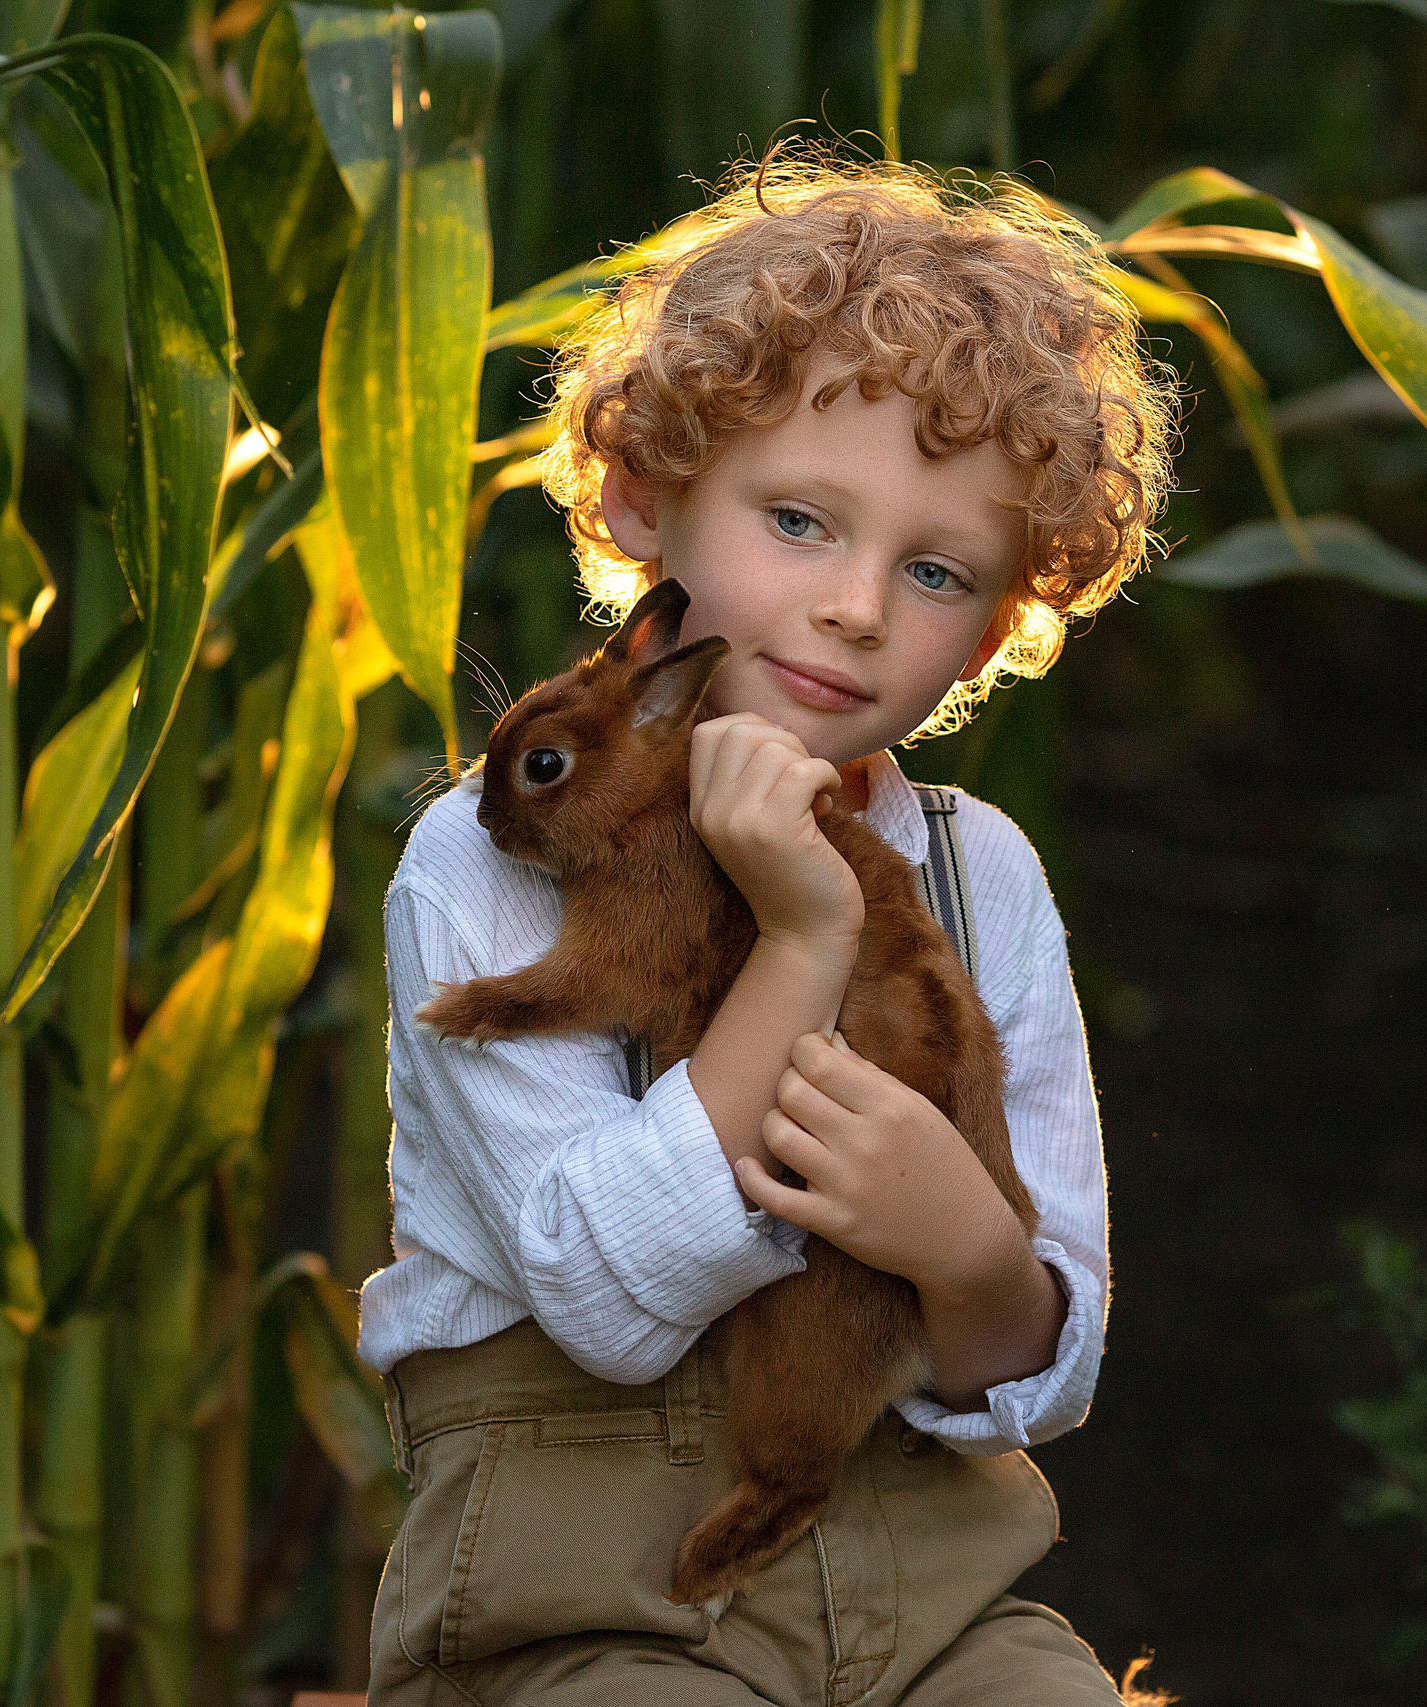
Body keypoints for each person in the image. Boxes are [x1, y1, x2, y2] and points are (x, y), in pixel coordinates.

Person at [358, 153, 1179, 1705]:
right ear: (643, 497)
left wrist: (965, 1248)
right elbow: (602, 1303)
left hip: (939, 1604)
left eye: (935, 571)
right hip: (585, 1614)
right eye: (799, 520)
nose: (858, 606)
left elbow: (1039, 1364)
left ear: (995, 633)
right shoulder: (487, 865)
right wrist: (803, 939)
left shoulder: (976, 872)